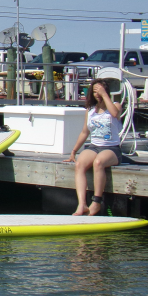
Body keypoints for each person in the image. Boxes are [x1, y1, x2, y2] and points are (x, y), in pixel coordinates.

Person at [64, 79, 123, 216]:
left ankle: (96, 202)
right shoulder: (90, 110)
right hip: (94, 146)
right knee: (79, 164)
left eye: (100, 90)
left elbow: (115, 114)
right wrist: (73, 152)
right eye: (95, 91)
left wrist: (104, 95)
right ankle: (82, 204)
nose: (98, 93)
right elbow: (85, 132)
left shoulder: (115, 105)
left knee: (98, 163)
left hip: (112, 148)